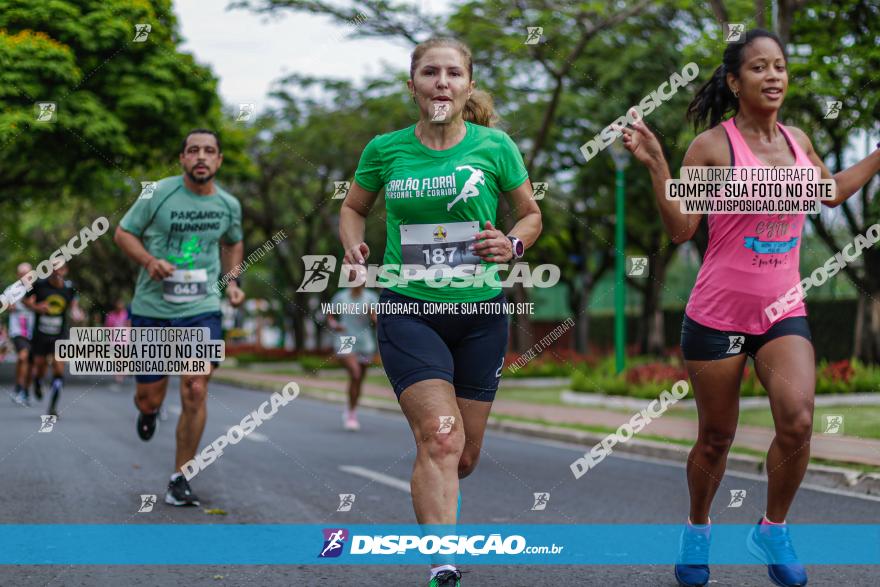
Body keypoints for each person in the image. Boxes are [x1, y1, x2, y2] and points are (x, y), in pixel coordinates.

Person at [618, 29, 880, 587]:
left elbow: (828, 193)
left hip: (782, 310)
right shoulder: (712, 147)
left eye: (780, 66)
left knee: (799, 418)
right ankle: (697, 529)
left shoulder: (798, 140)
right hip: (716, 314)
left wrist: (878, 154)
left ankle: (773, 529)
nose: (774, 76)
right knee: (717, 435)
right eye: (759, 67)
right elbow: (684, 229)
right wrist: (657, 163)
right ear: (735, 82)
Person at [339, 37, 541, 587]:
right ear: (413, 85)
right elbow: (354, 207)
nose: (442, 83)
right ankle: (443, 562)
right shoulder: (384, 149)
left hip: (480, 313)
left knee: (465, 455)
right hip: (409, 308)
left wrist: (513, 244)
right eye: (431, 73)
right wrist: (353, 248)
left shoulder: (495, 147)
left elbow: (530, 214)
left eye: (454, 73)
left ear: (468, 85)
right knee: (441, 437)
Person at [114, 129, 245, 507]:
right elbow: (123, 234)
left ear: (219, 160)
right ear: (182, 159)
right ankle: (148, 411)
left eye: (209, 151)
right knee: (149, 396)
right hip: (153, 309)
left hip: (201, 307)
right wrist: (150, 261)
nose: (201, 157)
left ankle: (180, 477)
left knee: (195, 386)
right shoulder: (157, 193)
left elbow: (234, 241)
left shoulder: (228, 204)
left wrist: (232, 280)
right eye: (193, 151)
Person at [24, 263, 84, 416]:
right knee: (40, 366)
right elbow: (26, 301)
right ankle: (37, 382)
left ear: (65, 270)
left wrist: (77, 313)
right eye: (54, 269)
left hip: (59, 335)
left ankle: (53, 407)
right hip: (41, 334)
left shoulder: (69, 288)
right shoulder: (39, 285)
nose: (57, 272)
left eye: (61, 269)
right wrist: (37, 307)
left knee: (58, 368)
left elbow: (74, 305)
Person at [326, 283, 379, 431]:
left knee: (359, 380)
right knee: (355, 374)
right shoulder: (341, 296)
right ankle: (351, 415)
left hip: (365, 342)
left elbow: (376, 321)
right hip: (346, 339)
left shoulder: (371, 297)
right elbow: (330, 316)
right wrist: (335, 325)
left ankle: (351, 411)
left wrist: (373, 316)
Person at [6, 263, 35, 406]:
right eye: (22, 273)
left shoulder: (37, 288)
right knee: (23, 356)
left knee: (31, 362)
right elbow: (7, 306)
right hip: (18, 330)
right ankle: (20, 388)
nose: (25, 276)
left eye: (28, 273)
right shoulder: (11, 290)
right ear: (18, 275)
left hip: (35, 331)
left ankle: (24, 389)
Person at [104, 299, 131, 384]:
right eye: (118, 307)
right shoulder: (111, 315)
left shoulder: (126, 315)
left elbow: (129, 325)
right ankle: (118, 372)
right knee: (117, 357)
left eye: (121, 307)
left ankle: (121, 371)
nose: (120, 309)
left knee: (123, 357)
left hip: (125, 339)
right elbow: (107, 327)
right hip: (115, 339)